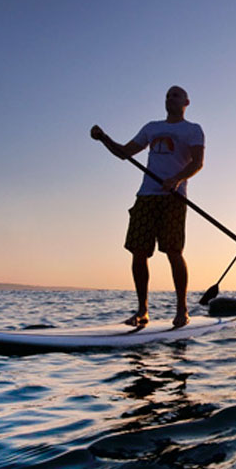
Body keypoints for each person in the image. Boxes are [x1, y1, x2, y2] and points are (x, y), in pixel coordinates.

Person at [90, 85, 204, 328]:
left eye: (175, 95)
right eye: (167, 95)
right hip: (146, 196)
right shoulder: (152, 128)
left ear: (186, 102)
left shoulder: (192, 130)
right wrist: (104, 138)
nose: (169, 98)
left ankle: (182, 309)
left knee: (173, 252)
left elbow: (197, 163)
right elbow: (123, 153)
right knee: (138, 252)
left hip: (173, 198)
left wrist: (176, 179)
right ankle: (142, 310)